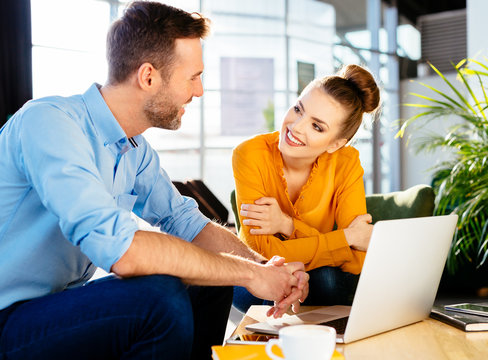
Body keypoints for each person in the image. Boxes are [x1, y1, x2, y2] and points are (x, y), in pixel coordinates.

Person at [0, 2, 308, 360]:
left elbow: (185, 222)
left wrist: (265, 268)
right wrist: (249, 275)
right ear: (148, 77)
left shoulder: (135, 150)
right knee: (159, 298)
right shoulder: (49, 122)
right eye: (193, 77)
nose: (199, 91)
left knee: (212, 279)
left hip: (56, 308)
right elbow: (124, 253)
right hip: (8, 318)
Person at [232, 64, 380, 312]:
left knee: (325, 279)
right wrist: (347, 238)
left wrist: (287, 226)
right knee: (289, 280)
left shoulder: (346, 162)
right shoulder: (249, 155)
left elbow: (357, 261)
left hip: (319, 277)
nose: (296, 127)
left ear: (335, 144)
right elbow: (265, 253)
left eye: (317, 126)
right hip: (255, 274)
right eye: (298, 109)